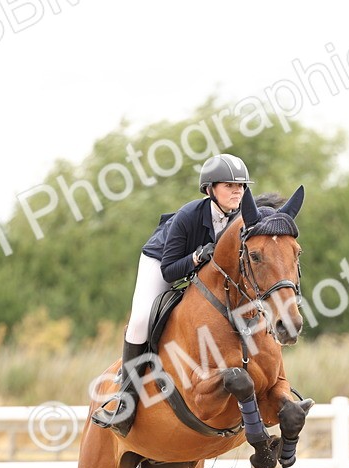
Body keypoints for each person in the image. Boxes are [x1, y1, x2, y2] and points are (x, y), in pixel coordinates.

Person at [91, 153, 253, 436]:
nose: (237, 191)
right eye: (229, 185)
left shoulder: (240, 219)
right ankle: (125, 403)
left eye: (240, 186)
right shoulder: (188, 216)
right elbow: (169, 271)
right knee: (141, 320)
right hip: (163, 261)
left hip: (203, 275)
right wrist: (195, 258)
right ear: (209, 189)